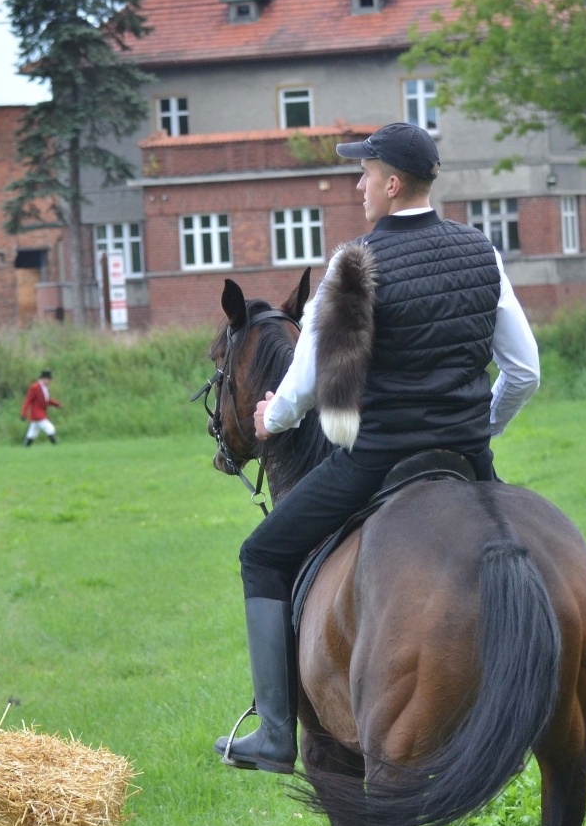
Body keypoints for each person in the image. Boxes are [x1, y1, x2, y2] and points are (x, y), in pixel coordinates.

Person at [214, 121, 542, 774]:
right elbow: (525, 372)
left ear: (392, 184)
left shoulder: (352, 265)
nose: (357, 184)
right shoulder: (483, 252)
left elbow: (303, 385)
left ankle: (276, 733)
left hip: (378, 459)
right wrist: (482, 425)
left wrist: (272, 419)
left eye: (364, 173)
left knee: (262, 553)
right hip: (468, 459)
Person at [20, 369, 61, 446]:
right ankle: (56, 446)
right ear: (44, 379)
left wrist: (56, 404)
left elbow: (46, 400)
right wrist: (23, 413)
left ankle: (25, 448)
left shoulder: (45, 388)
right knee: (50, 428)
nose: (50, 382)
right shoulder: (35, 387)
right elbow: (27, 401)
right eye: (49, 380)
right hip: (37, 414)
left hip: (40, 414)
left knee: (32, 433)